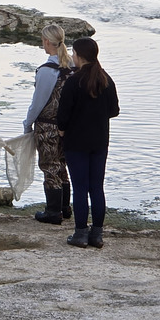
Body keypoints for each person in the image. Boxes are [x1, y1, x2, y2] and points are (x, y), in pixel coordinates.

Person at [56, 37, 119, 249]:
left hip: (76, 142)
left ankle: (81, 234)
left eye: (74, 54)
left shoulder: (73, 82)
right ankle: (97, 234)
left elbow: (62, 115)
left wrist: (62, 130)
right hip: (100, 141)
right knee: (97, 187)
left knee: (80, 188)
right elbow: (114, 111)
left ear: (80, 56)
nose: (72, 57)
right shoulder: (106, 80)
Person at [23, 23, 73, 225]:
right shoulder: (74, 67)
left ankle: (53, 212)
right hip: (69, 126)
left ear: (46, 42)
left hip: (48, 126)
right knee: (63, 165)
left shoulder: (46, 71)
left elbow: (38, 102)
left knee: (49, 165)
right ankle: (65, 207)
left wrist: (27, 124)